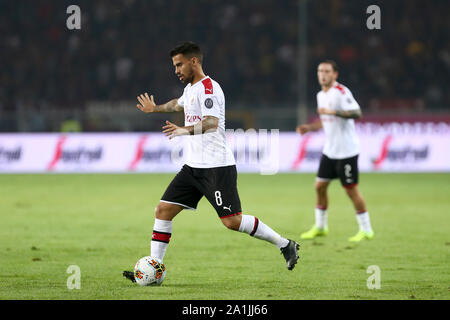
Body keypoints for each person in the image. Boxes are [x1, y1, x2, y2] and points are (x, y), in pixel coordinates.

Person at [123, 42, 299, 283]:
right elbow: (177, 104)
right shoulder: (191, 89)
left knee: (232, 221)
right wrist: (155, 109)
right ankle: (155, 269)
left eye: (179, 64)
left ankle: (286, 244)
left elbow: (211, 123)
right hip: (193, 167)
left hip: (217, 167)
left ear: (194, 61)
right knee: (163, 211)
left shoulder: (209, 88)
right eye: (174, 65)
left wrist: (184, 130)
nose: (176, 70)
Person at [296, 60, 374, 242]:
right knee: (320, 186)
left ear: (335, 74)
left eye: (326, 71)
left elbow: (357, 113)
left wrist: (333, 112)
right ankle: (321, 227)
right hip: (330, 151)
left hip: (347, 151)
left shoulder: (341, 92)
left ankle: (366, 229)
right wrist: (310, 127)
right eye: (320, 71)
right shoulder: (320, 95)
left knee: (350, 190)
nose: (322, 74)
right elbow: (325, 121)